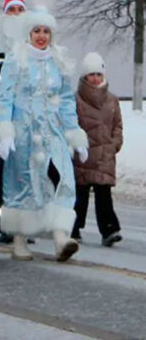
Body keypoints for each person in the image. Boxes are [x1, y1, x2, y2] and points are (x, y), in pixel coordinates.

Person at [0, 6, 88, 262]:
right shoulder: (16, 59)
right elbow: (5, 98)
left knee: (63, 179)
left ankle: (60, 237)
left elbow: (67, 100)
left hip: (53, 132)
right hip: (24, 132)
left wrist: (73, 133)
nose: (42, 36)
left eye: (46, 31)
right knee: (24, 183)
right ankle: (20, 239)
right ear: (28, 33)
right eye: (37, 30)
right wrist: (5, 131)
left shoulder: (58, 61)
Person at [0, 0, 28, 243]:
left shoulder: (32, 41)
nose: (17, 14)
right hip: (1, 114)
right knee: (2, 166)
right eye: (12, 10)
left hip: (27, 116)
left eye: (21, 9)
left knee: (26, 169)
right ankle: (4, 221)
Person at [72, 52, 123, 247]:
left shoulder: (112, 100)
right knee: (79, 196)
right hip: (83, 157)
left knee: (104, 196)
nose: (95, 78)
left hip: (104, 156)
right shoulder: (76, 100)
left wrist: (114, 143)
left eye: (98, 74)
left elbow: (117, 125)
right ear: (84, 77)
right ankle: (73, 229)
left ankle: (109, 230)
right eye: (91, 75)